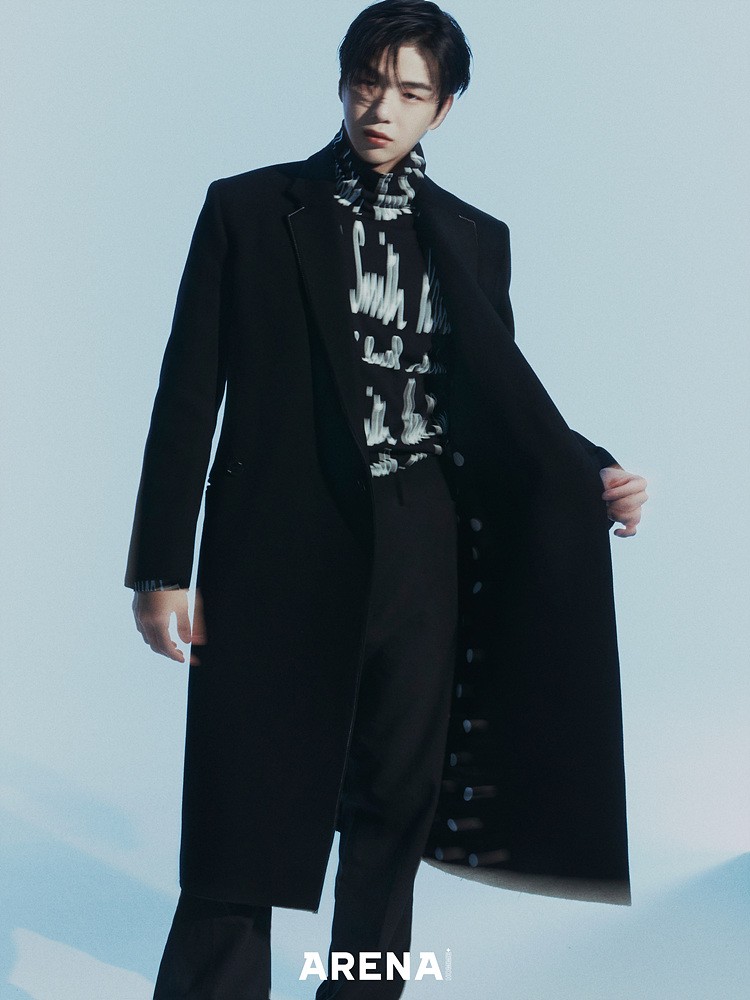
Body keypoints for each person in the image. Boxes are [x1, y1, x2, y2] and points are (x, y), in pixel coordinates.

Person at [126, 1, 648, 996]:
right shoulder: (248, 209)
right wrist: (160, 568)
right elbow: (188, 392)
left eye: (410, 92)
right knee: (247, 798)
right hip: (275, 542)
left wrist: (591, 472)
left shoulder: (475, 237)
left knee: (392, 805)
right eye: (368, 83)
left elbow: (493, 399)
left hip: (421, 540)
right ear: (342, 82)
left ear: (442, 109)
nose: (382, 109)